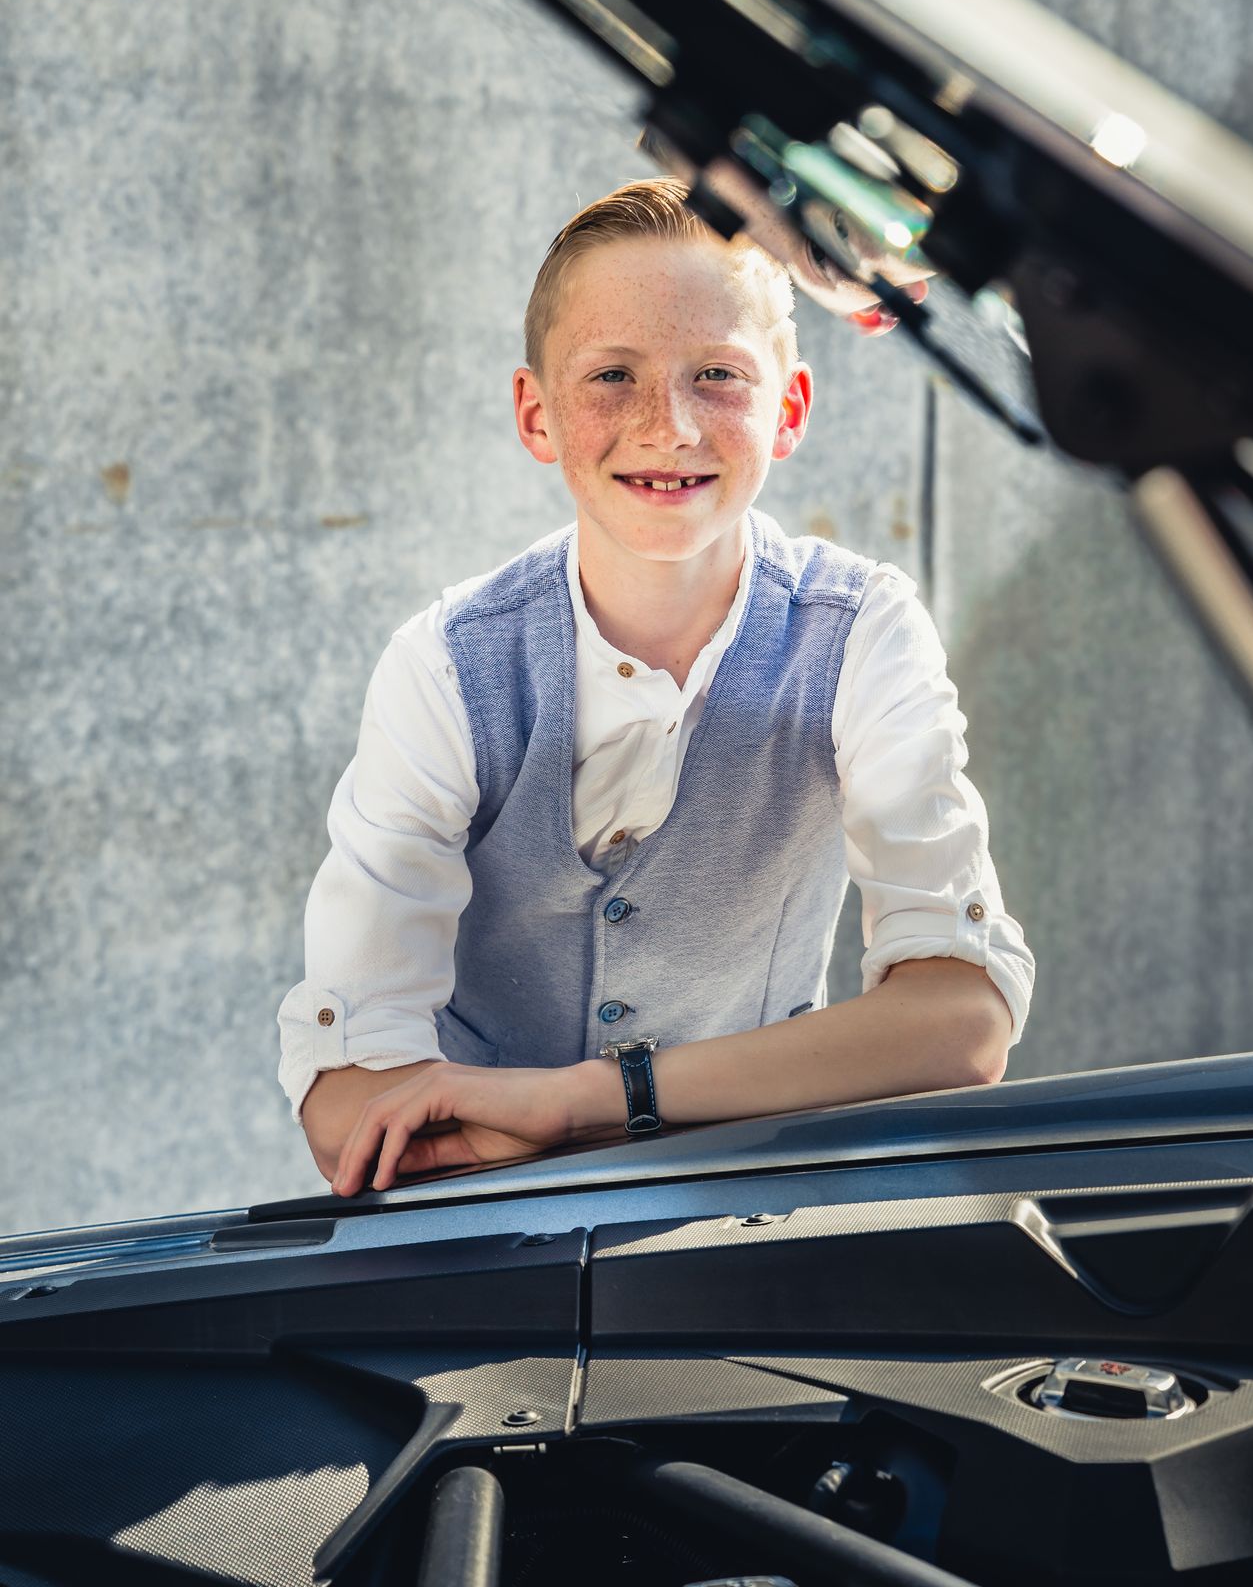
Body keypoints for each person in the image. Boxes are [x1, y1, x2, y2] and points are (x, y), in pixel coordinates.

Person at [277, 177, 1033, 1197]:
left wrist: (582, 1100)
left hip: (754, 1214)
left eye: (716, 373)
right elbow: (348, 1101)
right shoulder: (447, 664)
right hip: (473, 1235)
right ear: (535, 415)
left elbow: (961, 1021)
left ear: (789, 409)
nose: (667, 425)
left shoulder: (861, 633)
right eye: (611, 377)